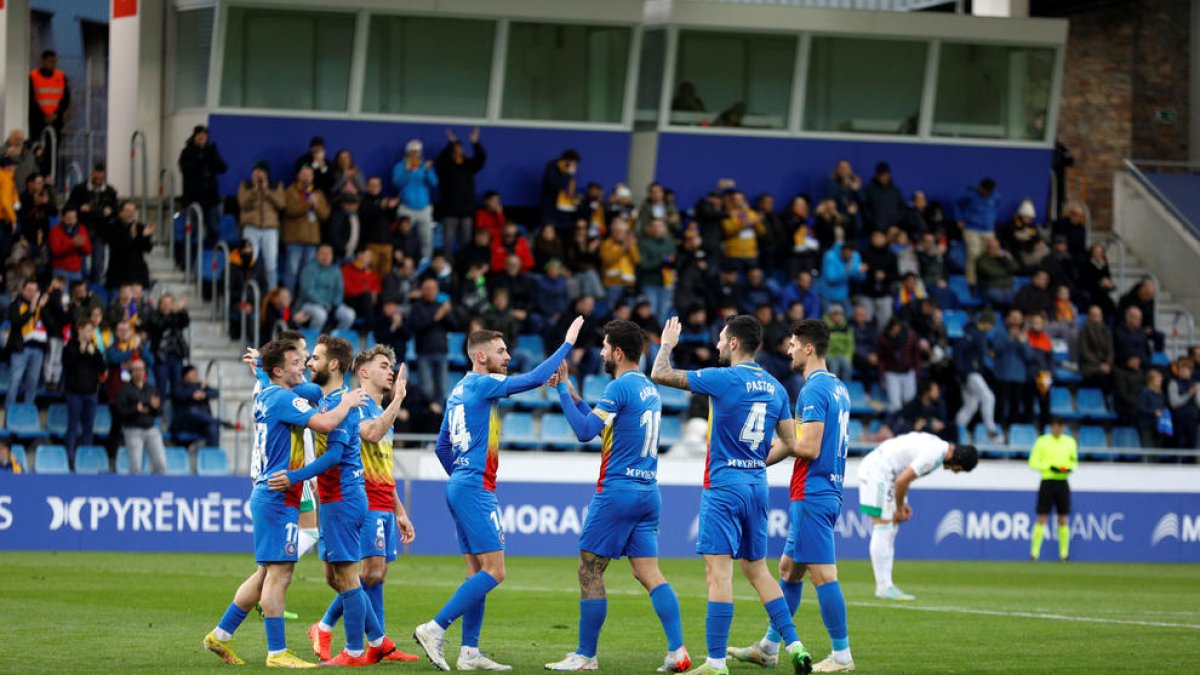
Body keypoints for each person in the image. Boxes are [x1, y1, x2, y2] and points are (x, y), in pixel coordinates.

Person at [412, 318, 584, 671]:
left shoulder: (458, 390)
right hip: (475, 487)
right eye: (501, 351)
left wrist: (462, 476)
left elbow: (442, 447)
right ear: (480, 356)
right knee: (495, 571)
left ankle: (469, 652)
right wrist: (567, 343)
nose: (507, 357)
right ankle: (434, 628)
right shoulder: (483, 383)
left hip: (462, 485)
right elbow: (534, 379)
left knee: (477, 572)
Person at [651, 315, 813, 675]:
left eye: (722, 338)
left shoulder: (721, 378)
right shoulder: (776, 388)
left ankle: (715, 662)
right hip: (756, 486)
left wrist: (667, 344)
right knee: (759, 571)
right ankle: (796, 645)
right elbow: (791, 443)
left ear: (735, 342)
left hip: (724, 487)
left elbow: (660, 374)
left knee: (718, 574)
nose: (718, 344)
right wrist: (754, 462)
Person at [204, 338, 365, 667]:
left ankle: (220, 635)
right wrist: (347, 402)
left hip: (274, 494)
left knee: (266, 573)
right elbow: (325, 423)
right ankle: (277, 653)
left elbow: (309, 390)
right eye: (295, 363)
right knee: (280, 575)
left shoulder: (270, 392)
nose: (302, 365)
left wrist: (261, 370)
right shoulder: (283, 398)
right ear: (278, 371)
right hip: (277, 495)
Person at [542, 320, 690, 673]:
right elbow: (607, 430)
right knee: (649, 572)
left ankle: (585, 655)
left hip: (618, 491)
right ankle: (678, 650)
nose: (602, 352)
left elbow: (584, 432)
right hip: (648, 492)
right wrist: (576, 396)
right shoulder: (647, 388)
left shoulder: (618, 387)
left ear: (618, 353)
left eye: (606, 347)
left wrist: (561, 391)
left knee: (589, 568)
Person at [265, 336, 402, 666]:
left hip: (344, 498)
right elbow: (286, 382)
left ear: (334, 364)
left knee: (350, 578)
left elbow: (335, 456)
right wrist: (262, 365)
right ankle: (376, 640)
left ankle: (353, 650)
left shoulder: (345, 404)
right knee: (337, 577)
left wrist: (295, 477)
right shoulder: (325, 398)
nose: (309, 363)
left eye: (315, 358)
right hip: (334, 499)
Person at [728, 319, 854, 673]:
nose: (789, 350)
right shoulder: (838, 387)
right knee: (788, 569)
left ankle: (842, 655)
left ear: (808, 348)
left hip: (814, 491)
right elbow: (804, 442)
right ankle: (769, 647)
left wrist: (766, 445)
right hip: (825, 487)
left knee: (823, 575)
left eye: (794, 344)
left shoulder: (814, 390)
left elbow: (809, 447)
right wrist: (766, 454)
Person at [308, 346, 420, 663]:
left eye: (391, 367)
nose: (390, 372)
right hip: (361, 500)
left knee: (377, 577)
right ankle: (329, 628)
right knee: (366, 574)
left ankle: (378, 644)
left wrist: (400, 511)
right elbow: (370, 434)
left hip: (383, 501)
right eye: (383, 366)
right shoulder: (356, 405)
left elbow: (383, 466)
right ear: (364, 372)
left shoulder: (383, 414)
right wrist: (398, 400)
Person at [857, 432, 978, 600]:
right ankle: (883, 587)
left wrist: (903, 502)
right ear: (959, 460)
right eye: (958, 469)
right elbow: (901, 481)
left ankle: (886, 586)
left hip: (884, 472)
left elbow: (903, 473)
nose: (955, 472)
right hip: (878, 472)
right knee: (883, 526)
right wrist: (899, 508)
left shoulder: (937, 446)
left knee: (890, 528)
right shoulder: (934, 455)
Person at [1028, 418, 1077, 562]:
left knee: (1063, 518)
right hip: (1047, 481)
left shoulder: (1070, 442)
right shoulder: (1042, 441)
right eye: (1056, 427)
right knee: (1042, 517)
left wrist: (1065, 469)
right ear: (1052, 427)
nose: (1058, 429)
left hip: (1062, 481)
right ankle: (1034, 554)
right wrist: (1048, 467)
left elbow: (1074, 462)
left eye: (1061, 427)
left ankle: (1064, 554)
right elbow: (1032, 462)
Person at [63, 317, 106, 466]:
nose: (90, 333)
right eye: (88, 330)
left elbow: (102, 368)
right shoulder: (70, 347)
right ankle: (70, 457)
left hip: (91, 393)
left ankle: (86, 457)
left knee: (89, 428)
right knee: (73, 426)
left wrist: (94, 354)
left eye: (92, 331)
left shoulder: (94, 349)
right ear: (80, 330)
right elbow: (67, 366)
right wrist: (79, 352)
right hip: (74, 393)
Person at [237, 160, 287, 291]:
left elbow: (281, 204)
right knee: (249, 261)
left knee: (271, 264)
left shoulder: (276, 185)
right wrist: (254, 191)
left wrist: (267, 192)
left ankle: (272, 294)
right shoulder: (246, 185)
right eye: (255, 171)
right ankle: (247, 293)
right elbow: (242, 203)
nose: (258, 174)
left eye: (260, 171)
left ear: (266, 173)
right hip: (251, 227)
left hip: (270, 229)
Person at [435, 127, 486, 254]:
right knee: (447, 243)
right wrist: (450, 143)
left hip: (466, 210)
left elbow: (481, 159)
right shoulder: (446, 165)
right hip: (449, 211)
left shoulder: (468, 164)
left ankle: (464, 264)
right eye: (455, 148)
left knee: (466, 243)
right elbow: (440, 160)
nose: (458, 150)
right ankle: (447, 265)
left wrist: (475, 143)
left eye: (460, 148)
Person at [955, 311, 1004, 443]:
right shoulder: (972, 333)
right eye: (991, 324)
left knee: (971, 405)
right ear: (986, 322)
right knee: (989, 397)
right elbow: (959, 351)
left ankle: (957, 430)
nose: (991, 328)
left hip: (971, 373)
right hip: (970, 373)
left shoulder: (979, 334)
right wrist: (961, 372)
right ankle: (991, 431)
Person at [6, 279, 49, 419]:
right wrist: (31, 310)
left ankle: (27, 415)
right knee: (15, 381)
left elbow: (51, 324)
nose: (31, 293)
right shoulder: (15, 305)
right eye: (29, 290)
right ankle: (9, 414)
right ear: (23, 290)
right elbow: (16, 322)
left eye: (34, 291)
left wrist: (42, 308)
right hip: (20, 349)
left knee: (33, 382)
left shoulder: (41, 306)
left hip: (38, 350)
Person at [179, 124, 228, 245]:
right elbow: (185, 168)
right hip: (193, 199)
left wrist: (213, 154)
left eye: (204, 135)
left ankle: (209, 253)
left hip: (210, 199)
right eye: (199, 135)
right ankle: (186, 255)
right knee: (191, 230)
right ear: (194, 137)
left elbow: (223, 168)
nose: (202, 138)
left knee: (213, 229)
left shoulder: (211, 152)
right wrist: (199, 156)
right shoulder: (187, 152)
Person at [115, 360, 167, 475]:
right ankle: (135, 487)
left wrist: (153, 407)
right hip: (133, 429)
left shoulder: (151, 389)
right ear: (131, 372)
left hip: (150, 428)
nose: (139, 372)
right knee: (135, 467)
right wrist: (136, 408)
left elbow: (159, 411)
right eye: (135, 370)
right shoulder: (124, 390)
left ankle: (157, 486)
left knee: (161, 465)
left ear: (145, 371)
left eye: (141, 369)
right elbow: (120, 412)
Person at [393, 139, 439, 261]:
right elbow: (397, 183)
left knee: (427, 239)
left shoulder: (425, 166)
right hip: (406, 208)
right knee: (404, 238)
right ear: (408, 152)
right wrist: (407, 171)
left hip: (424, 208)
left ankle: (425, 264)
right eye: (413, 151)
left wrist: (428, 171)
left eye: (418, 152)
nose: (416, 154)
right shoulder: (400, 166)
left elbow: (434, 183)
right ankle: (404, 264)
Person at [298, 244, 355, 332]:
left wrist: (335, 305)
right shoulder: (310, 268)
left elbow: (339, 290)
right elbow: (308, 291)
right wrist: (323, 304)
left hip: (330, 305)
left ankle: (336, 335)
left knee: (349, 314)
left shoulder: (336, 270)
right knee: (321, 315)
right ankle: (313, 336)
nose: (326, 256)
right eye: (323, 253)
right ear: (317, 255)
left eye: (328, 254)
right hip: (311, 304)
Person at [955, 178, 1000, 286]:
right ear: (980, 188)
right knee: (974, 254)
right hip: (971, 229)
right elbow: (957, 204)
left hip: (988, 230)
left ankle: (985, 281)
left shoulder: (996, 196)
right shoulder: (969, 195)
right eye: (985, 191)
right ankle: (972, 282)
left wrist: (991, 218)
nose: (987, 194)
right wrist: (959, 218)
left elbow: (996, 207)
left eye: (989, 192)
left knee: (989, 255)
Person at [171, 366, 228, 447]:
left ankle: (212, 454)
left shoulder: (200, 386)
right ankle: (221, 422)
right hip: (186, 425)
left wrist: (204, 394)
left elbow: (215, 393)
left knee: (212, 428)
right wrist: (193, 393)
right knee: (193, 411)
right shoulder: (179, 387)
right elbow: (179, 395)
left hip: (201, 424)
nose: (195, 375)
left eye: (196, 373)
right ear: (185, 375)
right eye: (192, 373)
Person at [105, 200, 155, 290]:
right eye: (128, 211)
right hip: (118, 275)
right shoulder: (113, 226)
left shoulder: (140, 227)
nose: (131, 214)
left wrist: (143, 236)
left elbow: (148, 248)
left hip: (137, 275)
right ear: (120, 212)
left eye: (133, 211)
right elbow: (118, 246)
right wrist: (132, 236)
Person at [28, 50, 69, 144]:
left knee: (53, 146)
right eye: (50, 61)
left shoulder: (61, 77)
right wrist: (42, 115)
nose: (53, 64)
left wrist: (56, 114)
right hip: (37, 120)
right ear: (43, 61)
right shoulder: (33, 77)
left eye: (55, 61)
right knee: (37, 146)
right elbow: (30, 100)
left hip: (56, 120)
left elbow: (65, 99)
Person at [540, 149, 581, 231]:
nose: (575, 167)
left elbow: (570, 190)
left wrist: (575, 198)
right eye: (574, 164)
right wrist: (568, 175)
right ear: (568, 161)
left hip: (565, 211)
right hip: (551, 210)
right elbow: (556, 185)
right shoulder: (552, 167)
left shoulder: (570, 174)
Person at [48, 208, 92, 282]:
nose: (71, 221)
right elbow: (55, 250)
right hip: (60, 270)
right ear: (62, 218)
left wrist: (82, 245)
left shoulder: (81, 229)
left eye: (73, 218)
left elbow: (88, 250)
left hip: (76, 270)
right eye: (68, 218)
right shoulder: (55, 230)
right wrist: (72, 243)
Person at [1168, 358, 1200, 450]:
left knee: (1192, 444)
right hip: (1178, 419)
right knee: (1180, 444)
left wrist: (1197, 393)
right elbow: (1174, 403)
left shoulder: (1196, 384)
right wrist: (1189, 394)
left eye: (1186, 369)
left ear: (1191, 371)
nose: (1183, 372)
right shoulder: (1173, 383)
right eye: (1181, 369)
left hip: (1193, 419)